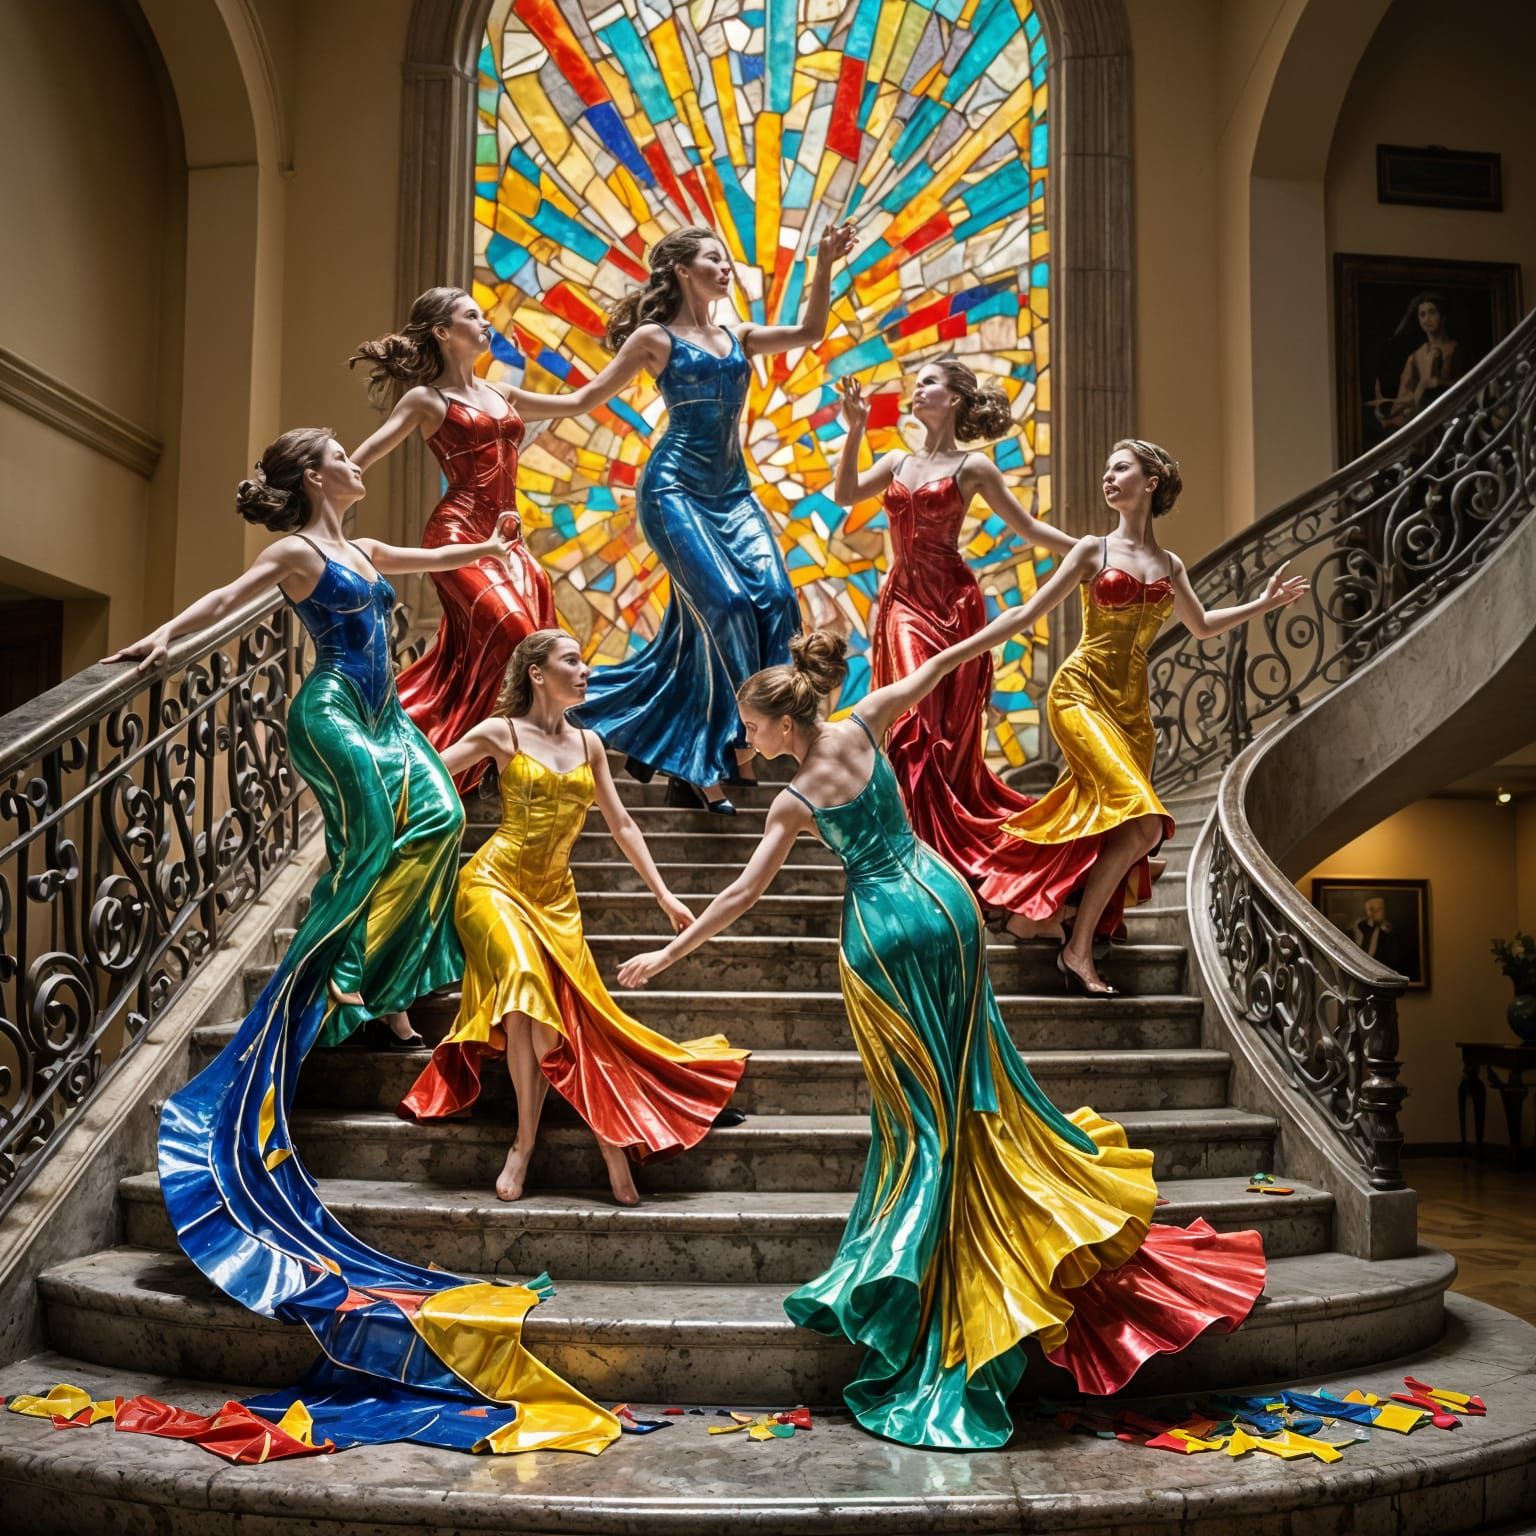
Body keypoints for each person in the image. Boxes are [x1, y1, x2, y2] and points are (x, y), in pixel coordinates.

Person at [615, 627, 1266, 1451]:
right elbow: (939, 664)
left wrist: (668, 952)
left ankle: (940, 1294)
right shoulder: (863, 723)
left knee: (923, 1122)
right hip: (949, 905)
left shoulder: (793, 798)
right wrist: (1029, 609)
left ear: (782, 726)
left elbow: (744, 892)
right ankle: (1003, 1232)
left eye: (751, 728)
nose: (746, 741)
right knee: (973, 1089)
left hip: (887, 932)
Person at [107, 430, 617, 1456]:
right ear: (307, 478)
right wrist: (164, 638)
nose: (354, 457)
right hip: (334, 711)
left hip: (392, 719)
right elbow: (229, 598)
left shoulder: (373, 549)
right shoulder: (299, 553)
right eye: (337, 452)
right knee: (379, 831)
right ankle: (332, 975)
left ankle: (378, 979)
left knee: (436, 818)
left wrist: (504, 543)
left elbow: (443, 563)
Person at [400, 629, 748, 1206]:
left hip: (557, 899)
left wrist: (663, 894)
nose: (586, 670)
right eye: (573, 661)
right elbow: (428, 778)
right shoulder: (499, 732)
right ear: (537, 674)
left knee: (539, 1015)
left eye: (584, 661)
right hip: (492, 885)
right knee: (525, 985)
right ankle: (533, 1145)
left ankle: (598, 1139)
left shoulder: (590, 743)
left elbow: (623, 825)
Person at [564, 222, 858, 812]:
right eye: (712, 260)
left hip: (733, 492)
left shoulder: (739, 335)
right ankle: (724, 754)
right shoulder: (654, 338)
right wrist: (504, 402)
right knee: (724, 604)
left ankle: (732, 740)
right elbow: (582, 401)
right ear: (680, 270)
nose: (725, 269)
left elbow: (811, 330)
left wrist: (823, 261)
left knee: (775, 602)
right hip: (674, 493)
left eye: (726, 261)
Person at [997, 439, 1308, 994]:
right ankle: (1078, 948)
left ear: (1151, 481)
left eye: (1120, 468)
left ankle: (1054, 920)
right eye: (1106, 470)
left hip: (1133, 711)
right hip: (1081, 692)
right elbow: (1030, 609)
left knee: (1124, 828)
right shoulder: (1092, 550)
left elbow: (1203, 624)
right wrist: (967, 652)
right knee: (1143, 822)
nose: (1108, 478)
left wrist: (1265, 604)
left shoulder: (1170, 564)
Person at [834, 360, 1080, 941]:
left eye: (928, 384)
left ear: (955, 399)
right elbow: (845, 493)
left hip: (955, 605)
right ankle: (914, 864)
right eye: (917, 383)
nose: (916, 390)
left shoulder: (975, 467)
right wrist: (853, 427)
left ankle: (941, 866)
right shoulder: (896, 461)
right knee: (910, 723)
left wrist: (1092, 553)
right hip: (902, 604)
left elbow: (1030, 531)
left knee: (947, 742)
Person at [348, 286, 562, 788]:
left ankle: (481, 757)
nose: (484, 322)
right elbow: (365, 455)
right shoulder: (426, 399)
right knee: (511, 630)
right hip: (456, 533)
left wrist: (639, 356)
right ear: (443, 332)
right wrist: (325, 516)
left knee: (528, 641)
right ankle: (482, 758)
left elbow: (581, 401)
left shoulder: (502, 394)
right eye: (472, 315)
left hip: (507, 540)